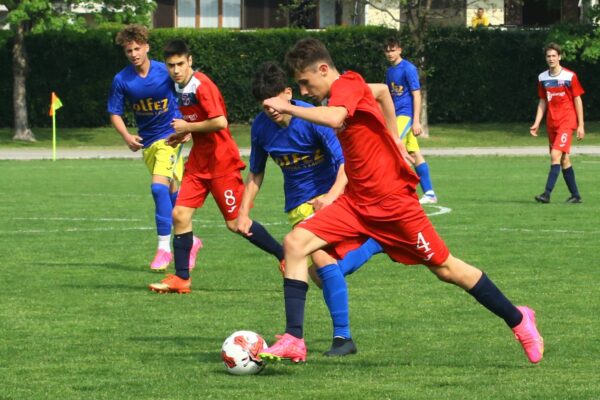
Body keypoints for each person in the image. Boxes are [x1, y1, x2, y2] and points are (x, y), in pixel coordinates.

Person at [258, 38, 544, 365]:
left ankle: (520, 320)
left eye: (305, 83)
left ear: (323, 69)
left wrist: (290, 107)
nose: (305, 91)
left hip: (395, 206)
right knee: (295, 243)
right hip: (356, 205)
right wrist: (394, 138)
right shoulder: (353, 89)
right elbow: (381, 92)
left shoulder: (347, 85)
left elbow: (338, 118)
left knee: (448, 269)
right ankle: (294, 338)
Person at [238, 61, 384, 355]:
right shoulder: (260, 127)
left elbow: (346, 162)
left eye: (275, 103)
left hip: (333, 199)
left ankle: (339, 338)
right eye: (265, 107)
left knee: (320, 261)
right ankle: (374, 244)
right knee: (323, 273)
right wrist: (243, 212)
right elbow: (255, 173)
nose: (272, 111)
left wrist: (330, 196)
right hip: (297, 208)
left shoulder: (313, 118)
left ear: (288, 92)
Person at [148, 40, 284, 294]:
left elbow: (220, 122)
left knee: (236, 224)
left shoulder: (202, 85)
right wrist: (184, 135)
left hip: (222, 163)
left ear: (190, 61)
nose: (176, 70)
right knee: (179, 215)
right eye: (171, 65)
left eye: (180, 64)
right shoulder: (178, 86)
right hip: (199, 163)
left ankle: (284, 255)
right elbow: (198, 121)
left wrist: (187, 128)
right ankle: (181, 278)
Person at [107, 24, 202, 272]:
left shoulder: (165, 71)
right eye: (129, 50)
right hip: (148, 143)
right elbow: (114, 113)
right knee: (171, 192)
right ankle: (191, 240)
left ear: (146, 47)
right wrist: (127, 136)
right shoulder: (121, 79)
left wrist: (187, 128)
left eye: (137, 48)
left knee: (157, 188)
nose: (134, 54)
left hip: (170, 138)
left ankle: (163, 248)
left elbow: (186, 96)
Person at [384, 37, 438, 204]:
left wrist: (416, 121)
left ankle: (401, 191)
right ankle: (429, 193)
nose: (390, 53)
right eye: (387, 50)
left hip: (405, 115)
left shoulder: (408, 68)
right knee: (413, 153)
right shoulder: (389, 72)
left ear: (400, 50)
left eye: (392, 50)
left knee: (392, 148)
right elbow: (388, 97)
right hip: (395, 116)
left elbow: (416, 94)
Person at [530, 42, 585, 204]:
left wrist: (581, 125)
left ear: (559, 57)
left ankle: (546, 194)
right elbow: (542, 102)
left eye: (554, 55)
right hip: (552, 123)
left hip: (567, 122)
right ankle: (576, 195)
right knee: (564, 160)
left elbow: (577, 99)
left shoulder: (569, 76)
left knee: (555, 155)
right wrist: (536, 123)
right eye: (548, 56)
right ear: (545, 58)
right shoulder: (542, 78)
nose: (551, 58)